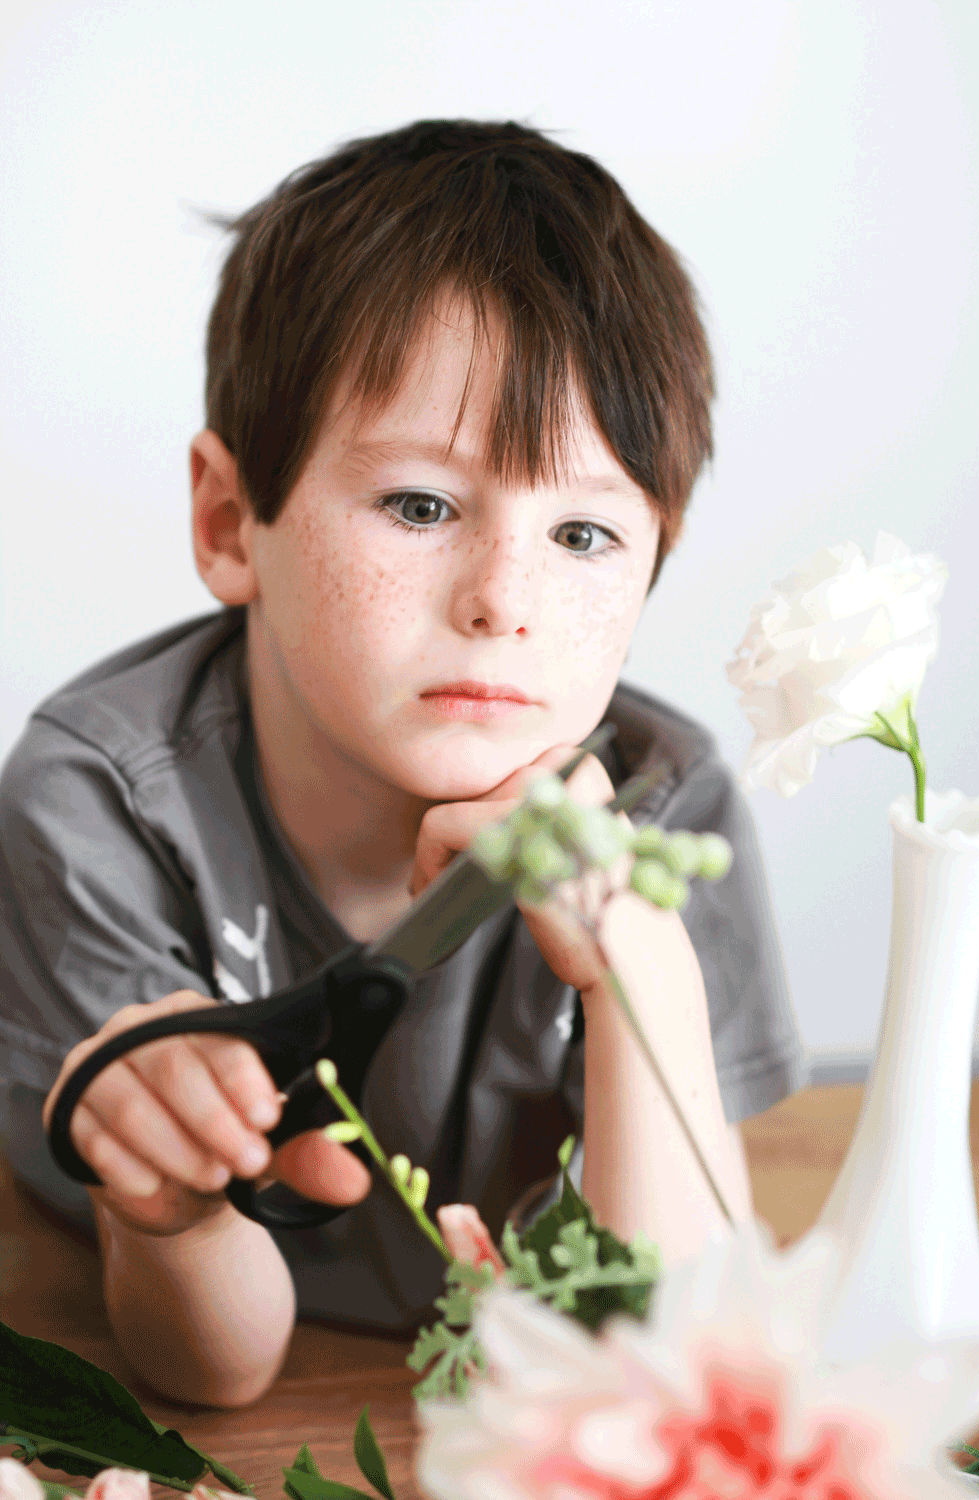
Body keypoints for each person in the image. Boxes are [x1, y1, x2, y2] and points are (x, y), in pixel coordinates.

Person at [0, 118, 808, 1408]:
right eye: (422, 506)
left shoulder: (670, 797)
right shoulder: (98, 803)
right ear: (228, 524)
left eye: (586, 533)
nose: (504, 598)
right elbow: (214, 1370)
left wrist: (635, 959)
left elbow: (677, 1346)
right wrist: (176, 1214)